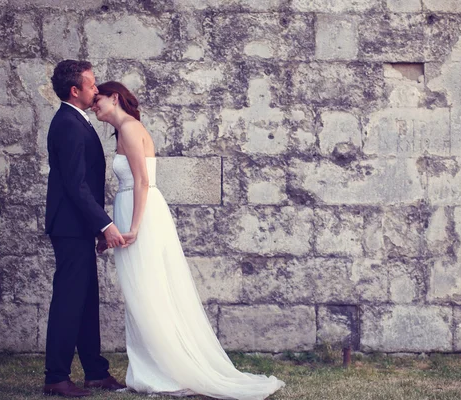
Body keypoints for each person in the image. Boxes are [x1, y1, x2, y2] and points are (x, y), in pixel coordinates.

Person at [91, 81, 285, 399]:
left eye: (97, 100)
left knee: (148, 290)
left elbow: (142, 180)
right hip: (134, 209)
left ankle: (163, 370)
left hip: (141, 214)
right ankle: (147, 369)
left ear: (114, 98)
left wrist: (135, 226)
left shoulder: (128, 127)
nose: (93, 106)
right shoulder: (124, 129)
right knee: (141, 291)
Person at [44, 60, 126, 397]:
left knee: (86, 299)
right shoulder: (67, 123)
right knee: (68, 300)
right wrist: (105, 225)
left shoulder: (77, 121)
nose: (97, 89)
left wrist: (95, 226)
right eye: (92, 85)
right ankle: (56, 377)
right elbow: (76, 185)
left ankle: (95, 372)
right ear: (75, 90)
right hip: (69, 226)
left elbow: (83, 185)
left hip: (79, 225)